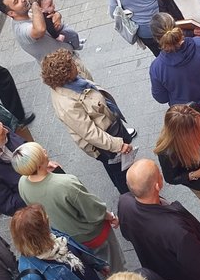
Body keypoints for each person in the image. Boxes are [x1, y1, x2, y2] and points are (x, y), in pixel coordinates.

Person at [37, 53, 136, 197]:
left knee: (120, 165)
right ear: (65, 75)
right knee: (118, 169)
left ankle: (132, 179)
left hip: (110, 125)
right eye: (72, 66)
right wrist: (118, 145)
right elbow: (90, 133)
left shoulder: (74, 79)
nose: (75, 65)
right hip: (104, 141)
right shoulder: (66, 104)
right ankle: (129, 196)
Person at [0, 0, 86, 66]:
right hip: (62, 69)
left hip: (69, 57)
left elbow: (48, 12)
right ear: (11, 13)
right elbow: (40, 30)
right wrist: (33, 1)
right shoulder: (21, 30)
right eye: (16, 1)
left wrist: (57, 15)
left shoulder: (28, 11)